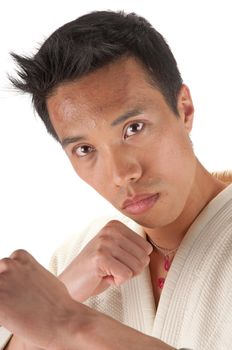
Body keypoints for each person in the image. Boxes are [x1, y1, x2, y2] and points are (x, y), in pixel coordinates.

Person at [0, 10, 231, 350]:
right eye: (84, 149)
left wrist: (71, 323)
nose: (122, 174)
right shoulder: (74, 258)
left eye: (133, 128)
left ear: (184, 108)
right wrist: (66, 290)